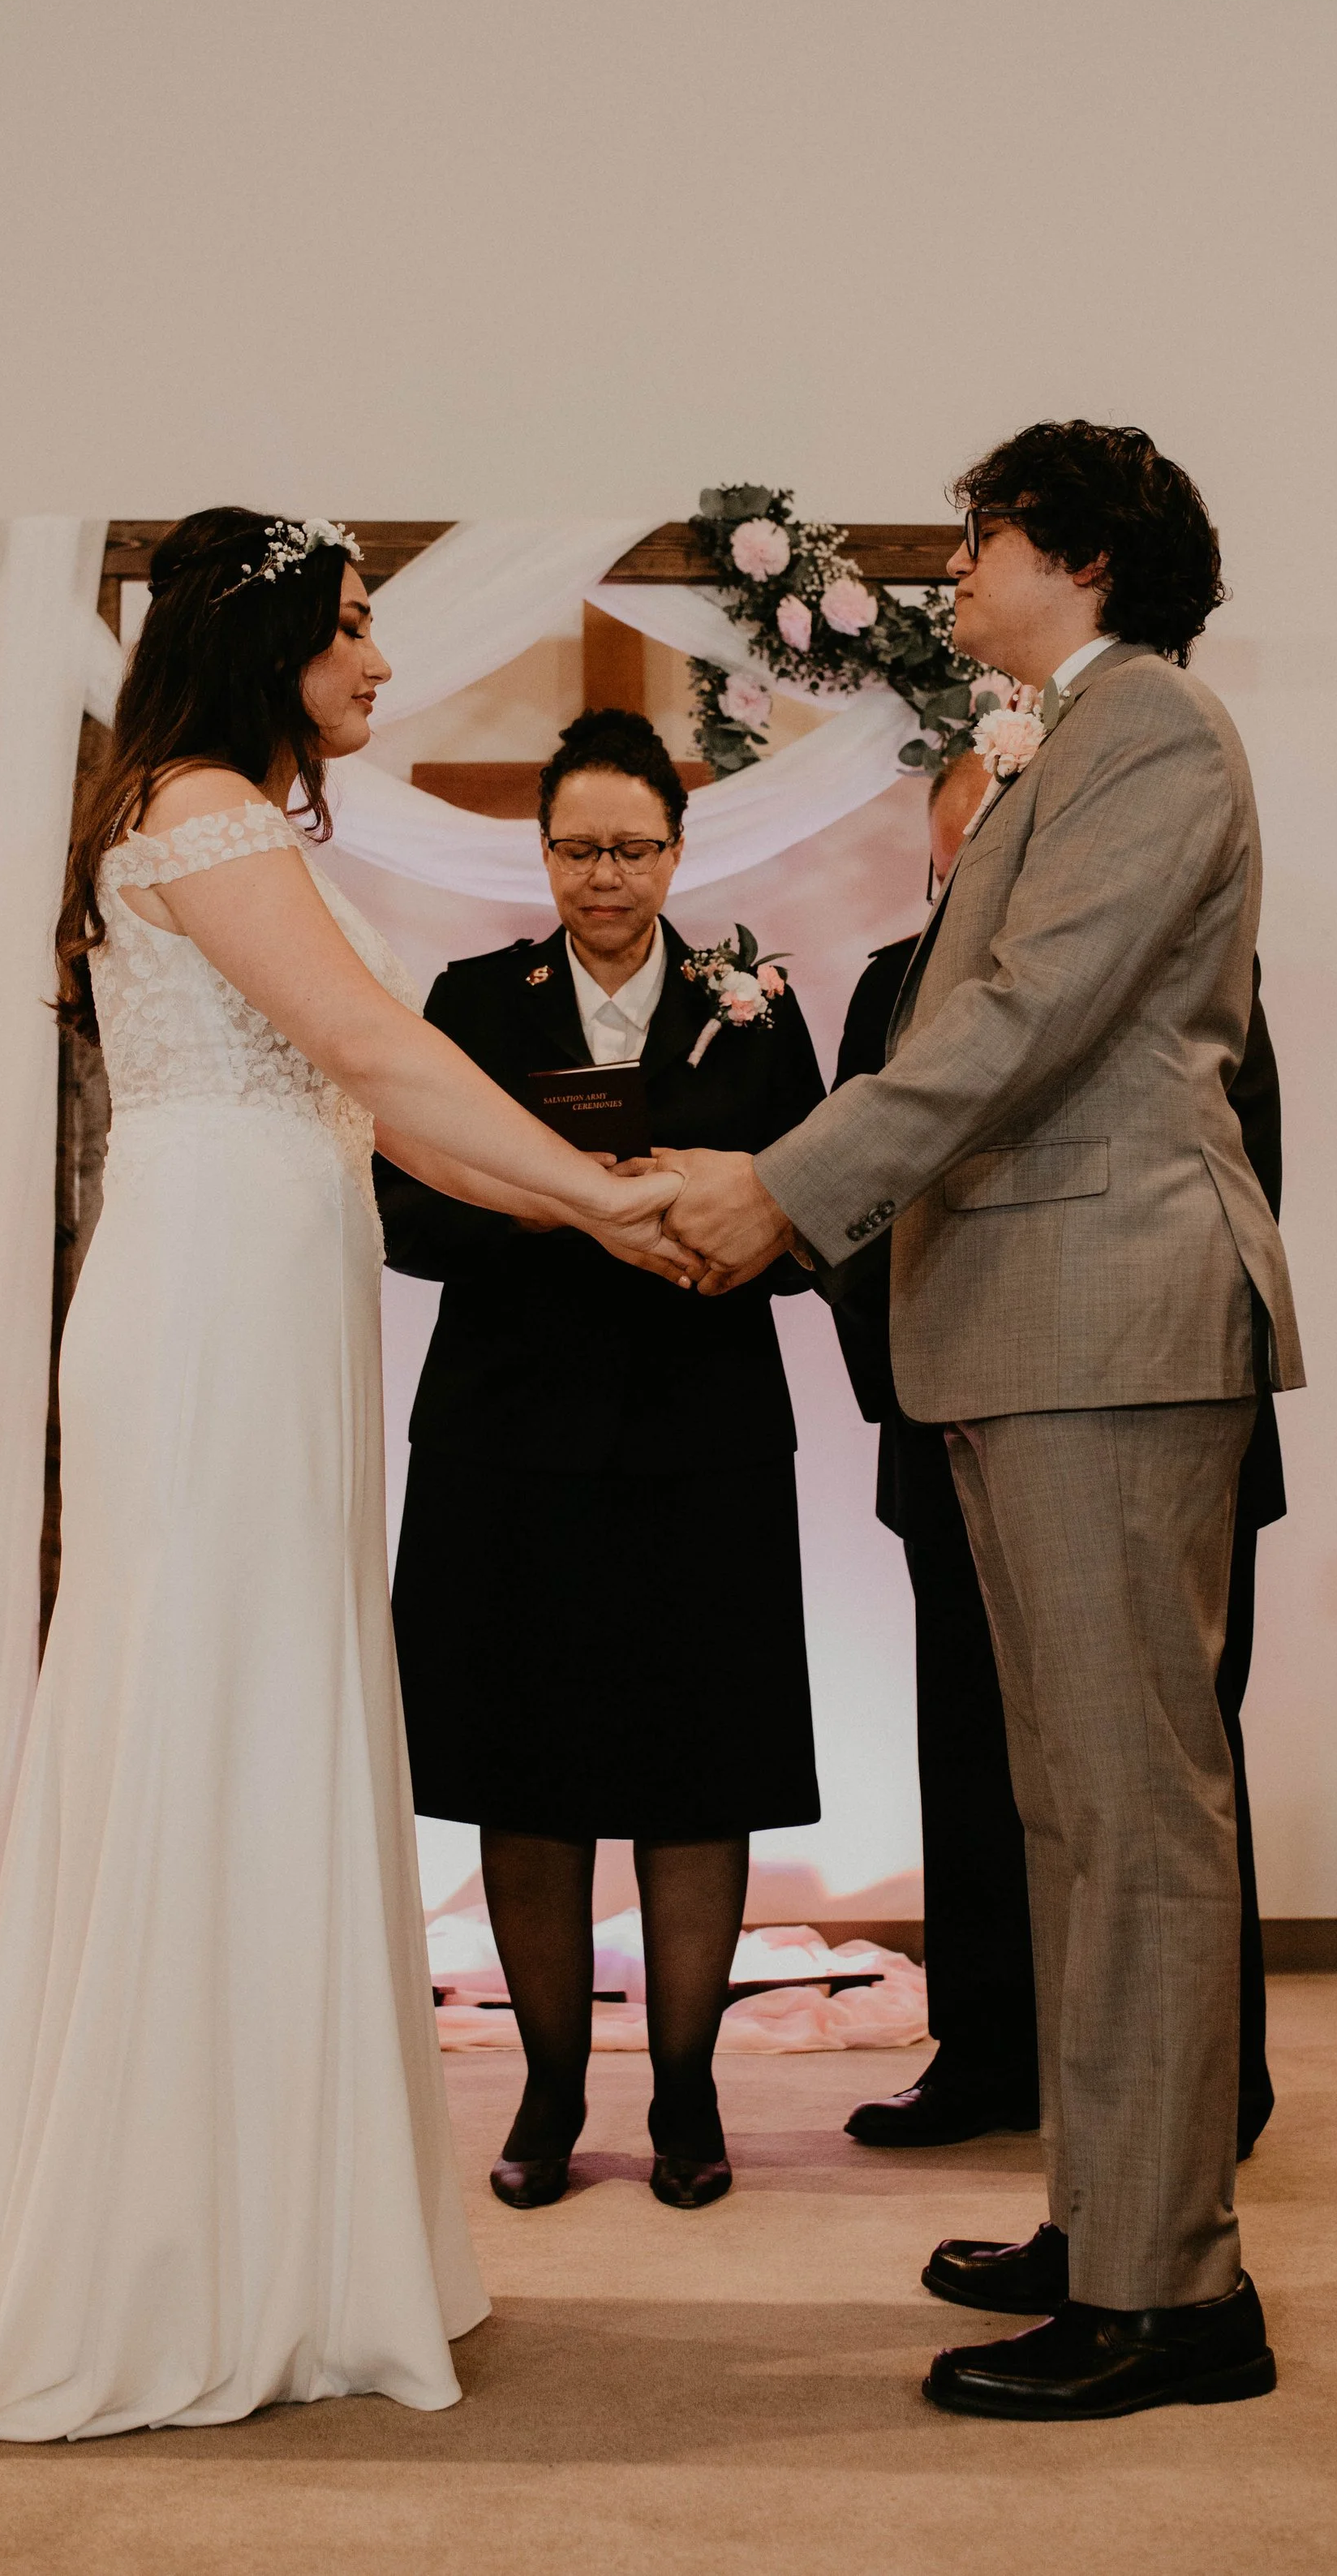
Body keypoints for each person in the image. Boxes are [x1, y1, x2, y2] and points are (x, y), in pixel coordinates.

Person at [0, 512, 690, 2449]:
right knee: (213, 1709)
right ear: (264, 642)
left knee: (273, 1699)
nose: (378, 671)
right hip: (215, 1305)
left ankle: (285, 2222)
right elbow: (370, 1052)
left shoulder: (207, 813)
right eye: (350, 633)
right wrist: (604, 1194)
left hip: (260, 1275)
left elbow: (383, 1112)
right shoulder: (205, 815)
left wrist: (595, 1219)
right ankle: (176, 2238)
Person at [657, 421, 1303, 2423]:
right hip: (1037, 1327)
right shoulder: (1071, 731)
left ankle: (1171, 2294)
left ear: (1082, 555)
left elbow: (1020, 1024)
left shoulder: (1154, 733)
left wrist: (782, 1186)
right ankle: (1111, 2219)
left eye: (979, 535)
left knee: (1135, 1823)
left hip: (1105, 1316)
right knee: (1073, 1821)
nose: (954, 570)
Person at [377, 708, 827, 2214]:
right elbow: (405, 1210)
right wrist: (557, 1203)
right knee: (531, 1763)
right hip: (513, 1435)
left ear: (679, 851)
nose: (604, 877)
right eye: (577, 848)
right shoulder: (473, 1000)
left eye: (634, 847)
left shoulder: (752, 1004)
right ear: (544, 851)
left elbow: (819, 1211)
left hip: (702, 1429)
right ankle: (554, 2080)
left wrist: (711, 1234)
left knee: (701, 1767)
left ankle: (690, 2088)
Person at [832, 746, 1288, 2158]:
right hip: (946, 1409)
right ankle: (986, 2052)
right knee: (978, 1757)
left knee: (1156, 1767)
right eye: (957, 854)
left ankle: (1207, 2079)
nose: (981, 877)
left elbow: (1231, 1181)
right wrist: (908, 1386)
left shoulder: (1173, 971)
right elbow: (864, 1206)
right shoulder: (888, 990)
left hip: (1125, 1396)